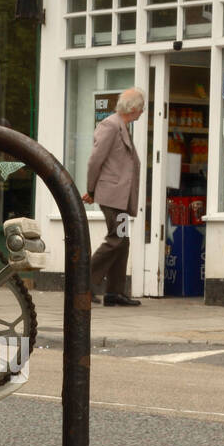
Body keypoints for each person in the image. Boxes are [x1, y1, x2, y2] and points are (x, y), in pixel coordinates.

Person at [83, 87, 145, 306]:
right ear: (134, 108)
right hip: (112, 196)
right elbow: (95, 160)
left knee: (122, 241)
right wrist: (91, 190)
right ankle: (83, 283)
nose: (143, 112)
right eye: (142, 107)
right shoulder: (110, 125)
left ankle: (114, 292)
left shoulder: (122, 127)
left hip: (118, 197)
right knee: (116, 239)